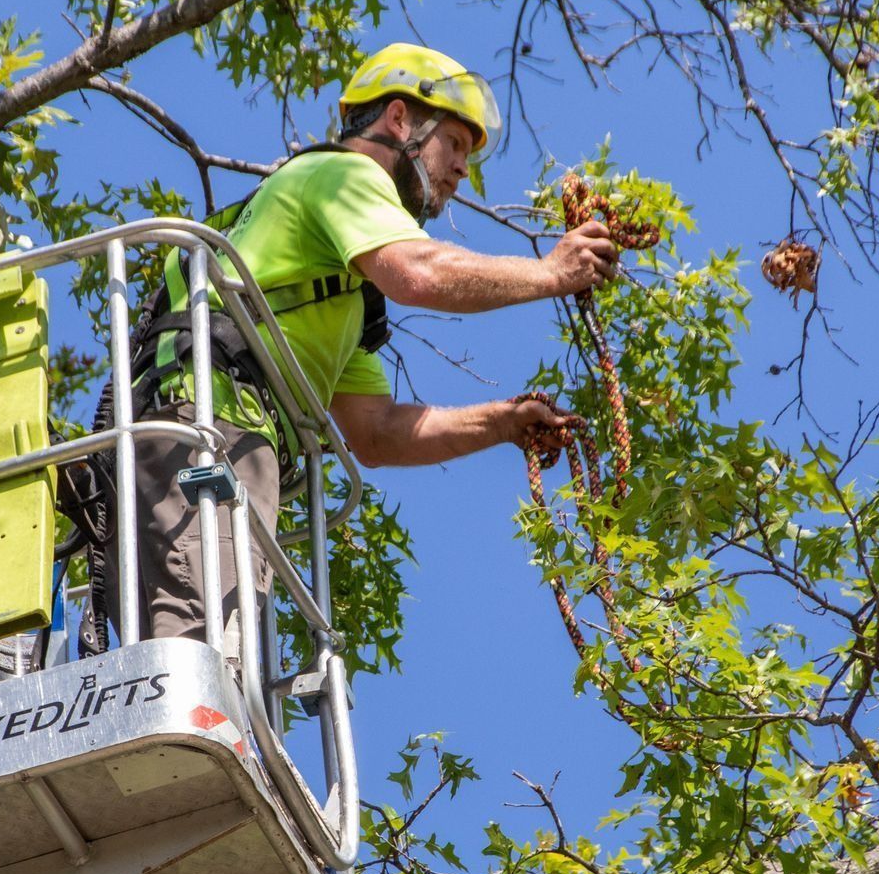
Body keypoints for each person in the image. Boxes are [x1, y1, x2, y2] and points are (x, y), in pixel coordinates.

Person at [96, 42, 623, 650]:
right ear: (400, 120)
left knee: (222, 665)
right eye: (454, 142)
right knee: (208, 663)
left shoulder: (341, 284)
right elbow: (418, 274)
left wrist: (503, 423)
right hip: (208, 433)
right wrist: (552, 273)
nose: (462, 169)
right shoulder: (342, 175)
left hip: (212, 442)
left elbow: (375, 433)